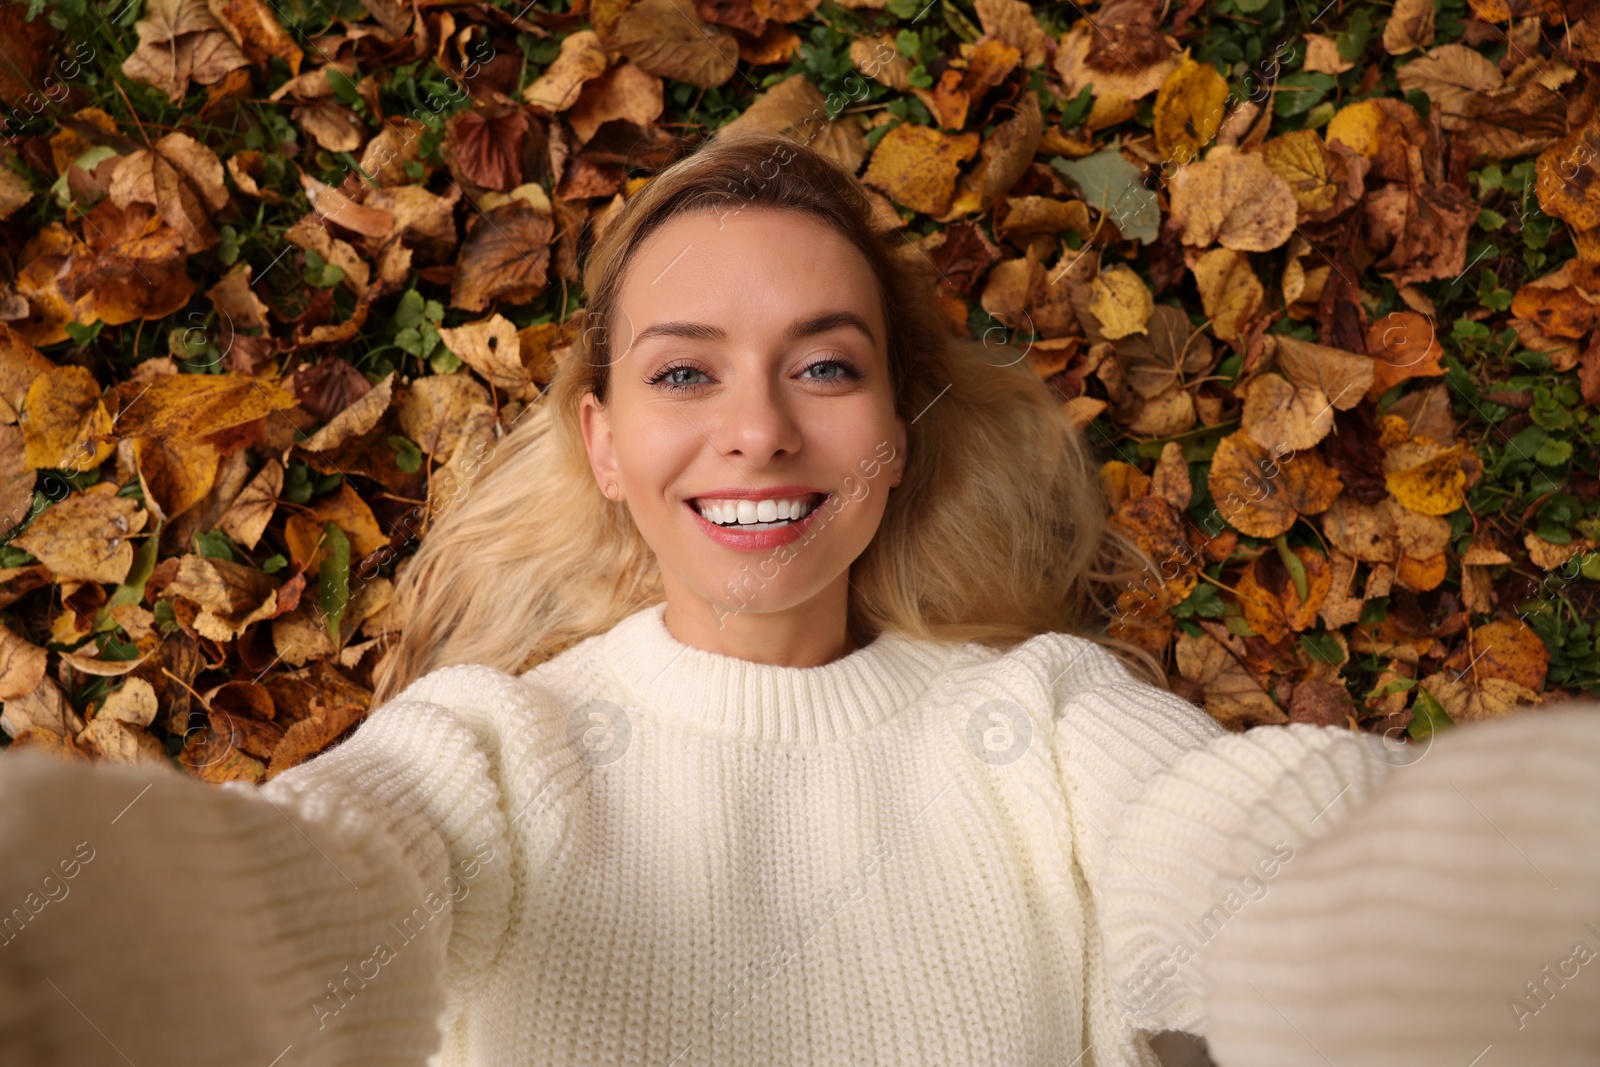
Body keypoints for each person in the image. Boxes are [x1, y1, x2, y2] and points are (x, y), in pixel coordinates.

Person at [1, 128, 1597, 1067]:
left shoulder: (1045, 724)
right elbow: (290, 907)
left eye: (823, 367)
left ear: (897, 437)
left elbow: (1275, 864)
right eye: (687, 370)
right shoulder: (492, 750)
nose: (757, 426)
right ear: (607, 445)